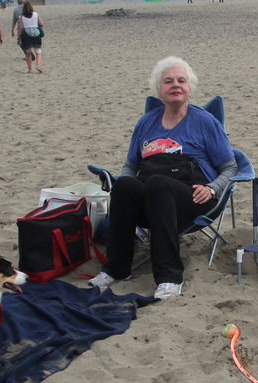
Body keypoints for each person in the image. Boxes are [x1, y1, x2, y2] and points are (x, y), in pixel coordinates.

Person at [89, 56, 237, 301]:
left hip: (193, 198)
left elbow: (231, 166)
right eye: (168, 81)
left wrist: (212, 189)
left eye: (181, 80)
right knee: (124, 184)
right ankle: (115, 270)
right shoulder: (146, 122)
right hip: (152, 201)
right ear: (159, 89)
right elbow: (130, 166)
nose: (175, 85)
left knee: (158, 184)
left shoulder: (205, 122)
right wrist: (127, 185)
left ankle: (169, 277)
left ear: (190, 88)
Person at [17, 1, 44, 73]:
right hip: (36, 32)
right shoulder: (36, 14)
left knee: (28, 52)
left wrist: (18, 38)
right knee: (38, 51)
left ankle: (30, 69)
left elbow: (20, 28)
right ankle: (38, 65)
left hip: (26, 34)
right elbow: (41, 23)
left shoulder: (22, 17)